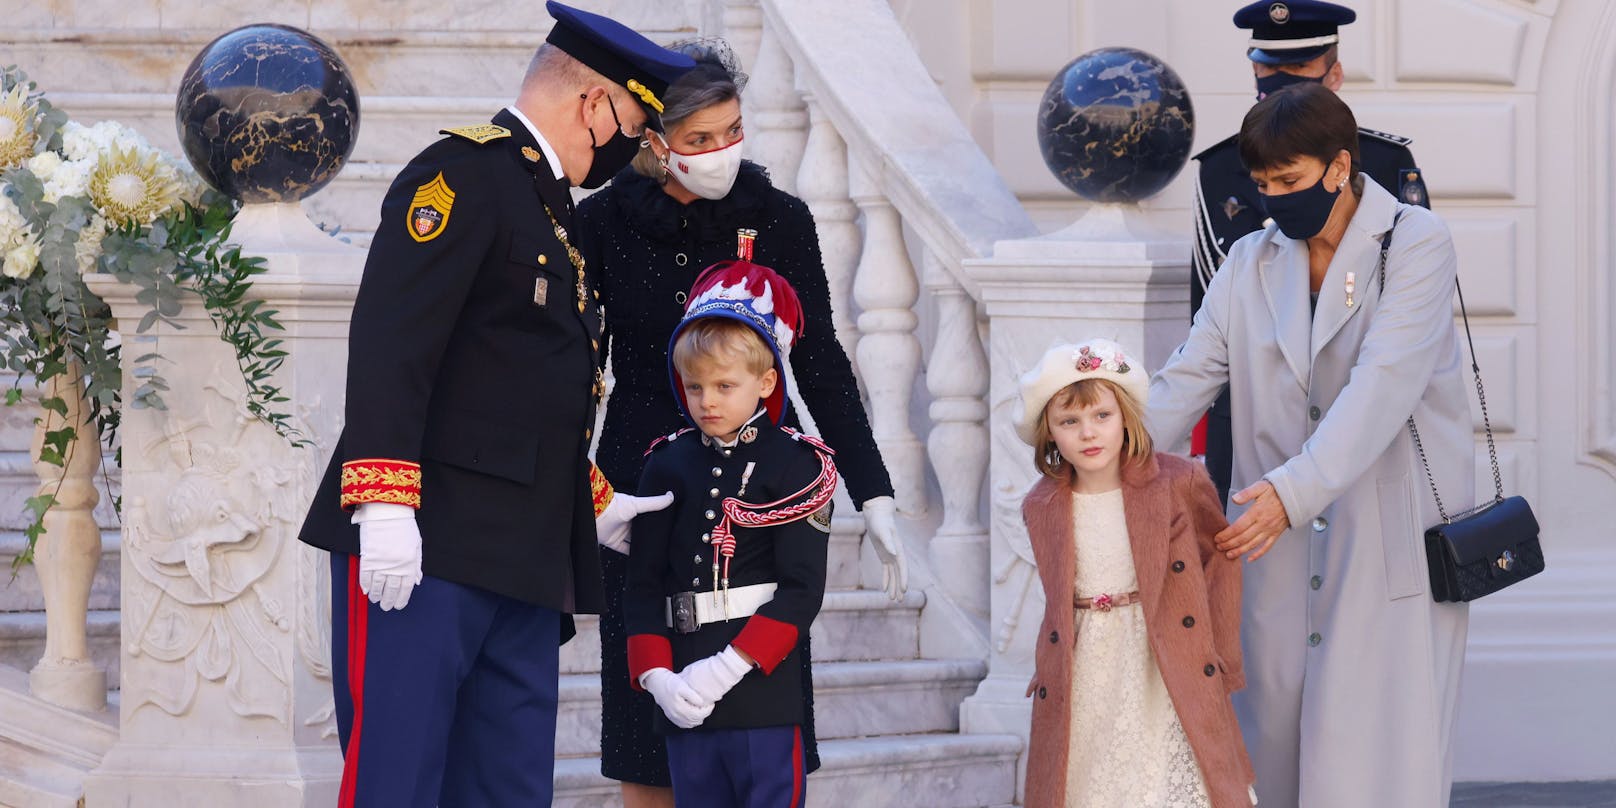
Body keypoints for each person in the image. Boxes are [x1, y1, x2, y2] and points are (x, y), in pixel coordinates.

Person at [296, 4, 694, 805]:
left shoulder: (551, 206)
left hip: (522, 555)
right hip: (428, 546)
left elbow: (515, 383)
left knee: (507, 788)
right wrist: (381, 506)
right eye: (634, 122)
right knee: (398, 782)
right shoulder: (462, 177)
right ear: (592, 104)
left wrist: (594, 499)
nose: (636, 148)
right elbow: (394, 342)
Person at [574, 39, 904, 807]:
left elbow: (818, 361)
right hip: (644, 496)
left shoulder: (780, 218)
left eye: (732, 129)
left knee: (763, 729)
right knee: (647, 737)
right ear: (651, 142)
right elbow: (574, 372)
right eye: (698, 140)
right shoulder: (602, 224)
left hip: (761, 494)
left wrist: (875, 491)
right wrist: (587, 490)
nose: (722, 151)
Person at [1149, 84, 1473, 807]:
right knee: (1276, 737)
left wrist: (1293, 494)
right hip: (1272, 542)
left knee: (1383, 749)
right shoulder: (1247, 260)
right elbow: (1190, 373)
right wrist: (1109, 450)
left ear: (1338, 167)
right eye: (1262, 185)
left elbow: (1384, 383)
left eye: (1288, 181)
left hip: (1388, 533)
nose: (1273, 201)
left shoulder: (1416, 242)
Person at [1190, 0, 1431, 506]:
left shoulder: (1385, 162)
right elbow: (1208, 325)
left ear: (1333, 73)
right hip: (1256, 422)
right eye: (1269, 68)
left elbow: (1407, 320)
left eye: (1298, 68)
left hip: (1363, 422)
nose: (1281, 81)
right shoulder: (1219, 168)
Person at [624, 260, 834, 807]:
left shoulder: (796, 465)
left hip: (761, 688)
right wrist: (656, 677)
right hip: (682, 689)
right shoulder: (666, 464)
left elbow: (801, 591)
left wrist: (729, 668)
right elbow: (643, 585)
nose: (707, 401)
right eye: (694, 387)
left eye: (724, 385)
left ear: (766, 383)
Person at [1014, 339, 1254, 808]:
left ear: (1125, 416)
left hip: (1163, 659)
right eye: (1070, 422)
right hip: (1086, 673)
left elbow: (1221, 560)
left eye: (1101, 416)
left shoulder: (1178, 482)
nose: (1088, 433)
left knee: (1166, 783)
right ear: (1050, 435)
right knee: (1091, 786)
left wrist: (1221, 655)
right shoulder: (1041, 505)